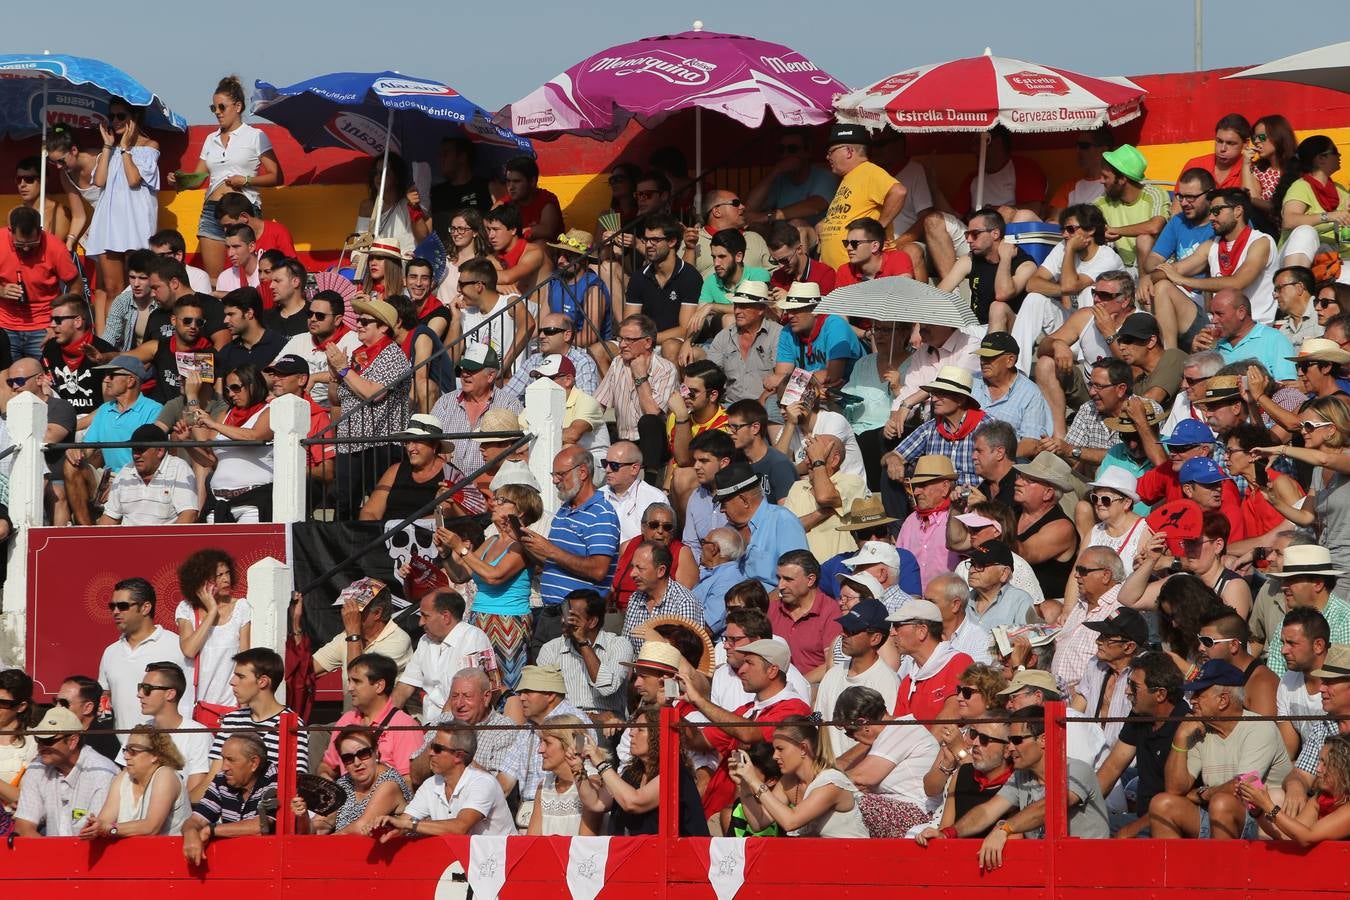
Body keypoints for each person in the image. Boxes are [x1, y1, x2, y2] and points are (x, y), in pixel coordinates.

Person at [918, 705, 1109, 865]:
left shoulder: (1076, 770)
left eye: (1017, 741)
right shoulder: (1021, 776)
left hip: (1088, 868)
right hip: (1047, 868)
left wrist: (1005, 829)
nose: (1010, 748)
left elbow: (1048, 807)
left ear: (1043, 740)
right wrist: (948, 833)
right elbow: (986, 812)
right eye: (1009, 741)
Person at [1147, 659, 1293, 840]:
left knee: (1221, 803)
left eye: (1198, 694)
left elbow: (1242, 787)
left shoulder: (1259, 727)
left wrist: (1204, 793)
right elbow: (1174, 789)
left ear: (1223, 700)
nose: (1191, 700)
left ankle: (1224, 868)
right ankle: (1175, 868)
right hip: (1218, 811)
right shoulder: (1197, 729)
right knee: (1161, 804)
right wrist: (1179, 739)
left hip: (1263, 821)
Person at [172, 75, 281, 280]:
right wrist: (181, 181)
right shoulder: (210, 139)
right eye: (214, 108)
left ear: (238, 106)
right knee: (214, 278)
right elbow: (199, 177)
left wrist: (246, 181)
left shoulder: (255, 136)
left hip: (243, 210)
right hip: (212, 211)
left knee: (247, 274)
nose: (218, 113)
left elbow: (277, 176)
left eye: (222, 107)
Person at [518, 448, 620, 656]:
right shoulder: (565, 509)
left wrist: (551, 550)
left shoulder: (601, 514)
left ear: (582, 472)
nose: (555, 481)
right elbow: (552, 563)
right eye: (553, 475)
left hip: (576, 618)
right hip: (551, 613)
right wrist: (524, 543)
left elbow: (599, 570)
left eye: (560, 475)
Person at [324, 296, 412, 519]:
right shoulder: (357, 355)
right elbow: (337, 399)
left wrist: (344, 370)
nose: (359, 325)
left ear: (383, 327)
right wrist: (335, 376)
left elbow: (374, 393)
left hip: (380, 441)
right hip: (350, 440)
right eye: (358, 321)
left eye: (365, 321)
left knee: (379, 505)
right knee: (344, 507)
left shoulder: (393, 354)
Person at [1012, 205, 1125, 376]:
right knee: (1034, 298)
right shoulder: (1062, 248)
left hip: (1100, 337)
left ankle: (1085, 360)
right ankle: (1017, 370)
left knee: (1089, 291)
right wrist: (1060, 288)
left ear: (1091, 230)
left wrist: (1070, 250)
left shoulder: (1107, 257)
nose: (1065, 235)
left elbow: (1071, 286)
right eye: (1063, 229)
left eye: (1071, 229)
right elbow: (1032, 283)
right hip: (1069, 328)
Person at [1096, 651, 1191, 838]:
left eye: (1134, 686)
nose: (1127, 691)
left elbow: (1181, 799)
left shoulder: (1186, 727)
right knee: (1078, 824)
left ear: (1160, 694)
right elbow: (1112, 768)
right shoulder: (1139, 716)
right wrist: (1081, 809)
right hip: (1141, 818)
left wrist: (1132, 829)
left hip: (1171, 824)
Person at [1031, 272, 1138, 438]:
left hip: (1121, 395)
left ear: (1124, 300)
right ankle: (1058, 436)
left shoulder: (1139, 323)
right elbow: (1043, 347)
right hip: (1089, 390)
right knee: (1046, 363)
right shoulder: (1086, 316)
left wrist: (1109, 334)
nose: (1096, 300)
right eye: (1094, 293)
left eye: (1105, 296)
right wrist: (1057, 345)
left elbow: (1131, 374)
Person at [577, 703, 710, 837]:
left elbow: (633, 802)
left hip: (678, 855)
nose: (630, 733)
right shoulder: (632, 773)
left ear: (658, 736)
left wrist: (601, 763)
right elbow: (596, 803)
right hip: (635, 853)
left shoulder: (675, 774)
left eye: (640, 729)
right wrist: (578, 769)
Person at [727, 715, 867, 837]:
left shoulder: (830, 782)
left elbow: (790, 822)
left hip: (852, 858)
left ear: (803, 748)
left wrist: (754, 781)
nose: (775, 756)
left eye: (780, 749)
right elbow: (759, 823)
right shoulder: (788, 781)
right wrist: (744, 785)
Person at [97, 577, 193, 745]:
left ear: (145, 607)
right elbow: (105, 704)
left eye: (123, 606)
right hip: (123, 754)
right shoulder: (110, 652)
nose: (116, 611)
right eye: (112, 606)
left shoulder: (176, 646)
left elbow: (189, 700)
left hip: (168, 750)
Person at [1140, 168, 1217, 350]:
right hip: (1179, 294)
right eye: (1180, 197)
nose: (1184, 203)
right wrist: (1154, 273)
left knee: (1161, 286)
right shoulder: (1178, 221)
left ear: (1210, 195)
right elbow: (1152, 260)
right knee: (1150, 289)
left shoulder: (1219, 225)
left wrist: (1156, 275)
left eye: (1191, 197)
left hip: (1205, 303)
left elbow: (1186, 268)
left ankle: (1170, 354)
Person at [12, 706, 118, 837]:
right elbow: (23, 828)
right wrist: (54, 856)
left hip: (92, 853)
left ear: (73, 741)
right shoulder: (36, 768)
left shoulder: (102, 773)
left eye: (48, 740)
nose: (41, 746)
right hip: (51, 854)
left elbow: (97, 835)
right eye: (38, 739)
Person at [595, 315, 679, 479]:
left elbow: (652, 412)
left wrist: (640, 376)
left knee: (649, 422)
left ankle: (651, 478)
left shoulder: (666, 369)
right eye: (620, 338)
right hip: (624, 439)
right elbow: (599, 405)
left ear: (647, 342)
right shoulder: (618, 363)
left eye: (629, 340)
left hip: (655, 443)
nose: (622, 344)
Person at [814, 599, 901, 754]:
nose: (843, 634)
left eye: (852, 630)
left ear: (875, 638)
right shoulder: (832, 675)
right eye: (844, 627)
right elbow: (819, 725)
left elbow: (883, 738)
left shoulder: (888, 682)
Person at [173, 549, 251, 719]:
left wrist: (244, 709)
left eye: (227, 573)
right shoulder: (186, 609)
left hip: (231, 707)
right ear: (200, 581)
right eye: (218, 576)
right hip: (195, 708)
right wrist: (212, 611)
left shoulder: (241, 607)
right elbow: (189, 650)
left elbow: (245, 660)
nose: (225, 579)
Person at [816, 124, 906, 272]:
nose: (827, 157)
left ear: (849, 151)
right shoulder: (849, 177)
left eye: (831, 151)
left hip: (862, 273)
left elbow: (898, 192)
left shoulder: (868, 171)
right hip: (844, 274)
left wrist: (878, 228)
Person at [318, 654, 421, 780]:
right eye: (349, 681)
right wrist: (325, 776)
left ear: (379, 686)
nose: (350, 688)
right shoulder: (346, 720)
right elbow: (328, 765)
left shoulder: (404, 725)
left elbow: (409, 782)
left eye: (356, 681)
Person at [410, 668, 519, 786]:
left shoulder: (504, 730)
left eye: (467, 696)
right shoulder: (442, 721)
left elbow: (498, 789)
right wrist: (436, 744)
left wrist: (456, 752)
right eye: (455, 696)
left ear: (486, 697)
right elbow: (416, 777)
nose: (459, 704)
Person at [535, 589, 634, 718]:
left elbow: (607, 688)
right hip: (566, 723)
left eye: (572, 617)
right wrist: (589, 718)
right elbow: (545, 699)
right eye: (564, 614)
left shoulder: (619, 645)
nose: (564, 621)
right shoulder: (550, 649)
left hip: (608, 725)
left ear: (592, 622)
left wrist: (583, 643)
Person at [80, 724, 190, 839]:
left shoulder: (166, 775)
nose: (126, 756)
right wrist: (94, 827)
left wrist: (110, 829)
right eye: (126, 750)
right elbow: (104, 821)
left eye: (133, 751)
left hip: (170, 852)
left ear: (154, 755)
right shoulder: (122, 778)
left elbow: (151, 827)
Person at [181, 733, 279, 863]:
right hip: (233, 861)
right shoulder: (222, 780)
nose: (224, 767)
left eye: (231, 760)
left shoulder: (275, 778)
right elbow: (196, 820)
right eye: (223, 759)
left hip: (270, 861)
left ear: (254, 763)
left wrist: (211, 830)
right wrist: (190, 833)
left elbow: (260, 826)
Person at [0, 205, 80, 361]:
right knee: (6, 379)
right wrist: (1, 291)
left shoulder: (55, 247)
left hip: (44, 327)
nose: (26, 249)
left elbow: (76, 286)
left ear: (40, 230)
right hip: (5, 325)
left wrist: (57, 323)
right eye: (19, 244)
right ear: (11, 231)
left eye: (32, 244)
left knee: (47, 378)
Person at [213, 648, 309, 775]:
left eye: (240, 676)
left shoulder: (291, 723)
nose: (232, 682)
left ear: (262, 682)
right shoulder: (231, 719)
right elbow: (214, 776)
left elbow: (295, 780)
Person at [887, 368, 986, 490]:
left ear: (960, 399)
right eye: (934, 394)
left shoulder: (986, 427)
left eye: (942, 394)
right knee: (887, 473)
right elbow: (894, 454)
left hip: (975, 499)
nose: (933, 399)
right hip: (936, 501)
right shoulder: (929, 428)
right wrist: (893, 459)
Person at [625, 215, 703, 368]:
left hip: (675, 342)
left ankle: (677, 392)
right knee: (599, 350)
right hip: (642, 341)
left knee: (670, 347)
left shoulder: (690, 276)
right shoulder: (638, 277)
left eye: (655, 240)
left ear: (672, 242)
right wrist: (638, 340)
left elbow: (684, 329)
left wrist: (645, 340)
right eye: (646, 239)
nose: (648, 245)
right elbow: (629, 322)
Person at [938, 209, 1037, 330]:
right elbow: (939, 295)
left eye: (975, 234)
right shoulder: (969, 259)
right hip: (977, 328)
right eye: (967, 234)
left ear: (995, 234)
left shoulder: (1026, 264)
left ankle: (989, 348)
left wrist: (1005, 258)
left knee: (998, 307)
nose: (968, 240)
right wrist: (919, 326)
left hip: (1012, 332)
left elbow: (1002, 294)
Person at [305, 726, 411, 836]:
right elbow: (319, 827)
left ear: (376, 752)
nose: (357, 762)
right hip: (348, 848)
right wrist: (303, 815)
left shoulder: (389, 783)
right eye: (348, 758)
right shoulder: (344, 783)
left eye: (363, 753)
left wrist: (322, 845)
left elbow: (361, 828)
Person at [135, 662, 212, 802]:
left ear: (170, 694)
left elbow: (193, 794)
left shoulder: (198, 734)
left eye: (147, 689)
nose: (139, 694)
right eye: (140, 687)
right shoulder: (140, 731)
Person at [95, 423, 198, 525]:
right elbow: (110, 517)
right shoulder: (125, 472)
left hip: (164, 539)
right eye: (134, 450)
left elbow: (189, 514)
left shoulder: (179, 468)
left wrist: (169, 541)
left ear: (160, 451)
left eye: (140, 450)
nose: (135, 455)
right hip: (129, 540)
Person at [770, 282, 864, 394]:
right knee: (770, 401)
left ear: (815, 310)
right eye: (789, 310)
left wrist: (787, 381)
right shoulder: (788, 331)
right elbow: (779, 377)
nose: (790, 316)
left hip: (849, 392)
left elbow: (832, 376)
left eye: (796, 310)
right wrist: (810, 382)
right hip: (807, 391)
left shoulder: (835, 325)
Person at [1274, 135, 1350, 271]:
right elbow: (1289, 221)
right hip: (1298, 257)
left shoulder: (1342, 191)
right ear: (1321, 158)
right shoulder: (1301, 187)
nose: (1339, 155)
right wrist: (1329, 216)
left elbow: (1346, 239)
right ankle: (1293, 283)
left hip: (1332, 259)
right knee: (1306, 232)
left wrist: (1346, 222)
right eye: (1335, 151)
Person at [447, 257, 533, 377]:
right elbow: (449, 362)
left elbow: (529, 325)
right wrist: (455, 320)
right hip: (475, 386)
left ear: (479, 286)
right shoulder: (465, 314)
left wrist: (503, 367)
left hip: (508, 384)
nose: (458, 290)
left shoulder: (509, 303)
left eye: (461, 284)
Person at [609, 501, 698, 613]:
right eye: (654, 525)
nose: (660, 531)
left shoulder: (682, 553)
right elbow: (611, 585)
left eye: (667, 527)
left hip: (658, 616)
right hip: (618, 612)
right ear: (643, 527)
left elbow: (683, 599)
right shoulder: (627, 546)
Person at [1012, 453, 1080, 600]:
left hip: (1045, 608)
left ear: (1048, 493)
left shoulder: (1062, 527)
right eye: (1020, 476)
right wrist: (958, 509)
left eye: (1028, 480)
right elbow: (958, 542)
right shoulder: (1012, 512)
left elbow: (1024, 555)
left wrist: (991, 523)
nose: (1018, 482)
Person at [969, 333, 1052, 452]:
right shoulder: (971, 382)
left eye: (990, 357)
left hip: (1006, 464)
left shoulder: (1030, 393)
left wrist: (995, 456)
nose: (983, 362)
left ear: (1010, 360)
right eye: (982, 357)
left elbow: (1031, 444)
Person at [1094, 144, 1169, 269]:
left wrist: (1115, 230)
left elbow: (1154, 227)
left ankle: (1143, 285)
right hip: (1121, 270)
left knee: (1144, 239)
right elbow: (1084, 219)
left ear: (1122, 179)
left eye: (1105, 177)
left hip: (1156, 269)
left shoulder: (1155, 194)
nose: (1100, 181)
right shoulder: (1103, 201)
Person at [40, 292, 115, 417]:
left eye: (58, 320)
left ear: (78, 322)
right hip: (58, 418)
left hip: (93, 421)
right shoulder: (50, 348)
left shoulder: (104, 351)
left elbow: (111, 406)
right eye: (51, 319)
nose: (52, 325)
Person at [894, 455, 962, 587]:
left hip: (948, 602)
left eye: (923, 485)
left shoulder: (958, 517)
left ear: (945, 487)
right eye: (915, 486)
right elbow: (898, 562)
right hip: (914, 602)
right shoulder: (911, 521)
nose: (916, 491)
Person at [505, 313, 601, 402]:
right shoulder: (534, 360)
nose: (541, 336)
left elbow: (587, 403)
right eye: (540, 331)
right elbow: (507, 396)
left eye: (549, 331)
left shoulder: (582, 362)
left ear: (567, 335)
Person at [725, 400, 799, 503]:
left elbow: (786, 514)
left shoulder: (779, 465)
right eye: (728, 426)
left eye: (735, 427)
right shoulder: (736, 461)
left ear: (755, 428)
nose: (729, 432)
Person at [687, 190, 771, 277]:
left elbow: (773, 272)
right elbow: (683, 280)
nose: (743, 207)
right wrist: (689, 248)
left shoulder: (755, 238)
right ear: (717, 211)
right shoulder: (692, 240)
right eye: (735, 203)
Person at [600, 442, 670, 543]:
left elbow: (659, 543)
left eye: (614, 465)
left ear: (634, 469)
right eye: (605, 463)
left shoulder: (656, 499)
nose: (607, 470)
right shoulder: (597, 496)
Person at [484, 203, 551, 296]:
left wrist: (482, 279)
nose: (491, 235)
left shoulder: (534, 252)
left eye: (495, 229)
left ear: (513, 230)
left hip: (540, 308)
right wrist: (495, 286)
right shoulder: (492, 259)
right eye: (489, 230)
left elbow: (507, 277)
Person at [1176, 114, 1251, 195]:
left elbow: (1252, 204)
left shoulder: (1252, 170)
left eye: (1230, 143)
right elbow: (1177, 204)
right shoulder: (1195, 165)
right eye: (1219, 141)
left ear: (1245, 144)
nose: (1222, 149)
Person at [0, 669, 36, 824]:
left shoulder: (35, 743)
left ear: (21, 706)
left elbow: (23, 799)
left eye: (3, 703)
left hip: (10, 827)